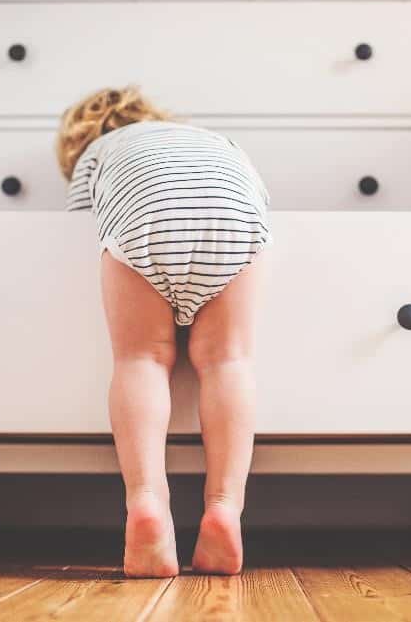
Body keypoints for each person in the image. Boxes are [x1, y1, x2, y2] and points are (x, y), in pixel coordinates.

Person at [56, 87, 273, 577]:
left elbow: (69, 235)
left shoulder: (98, 153)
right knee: (228, 360)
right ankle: (224, 507)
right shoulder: (212, 140)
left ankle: (147, 502)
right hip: (234, 214)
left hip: (143, 218)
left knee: (142, 359)